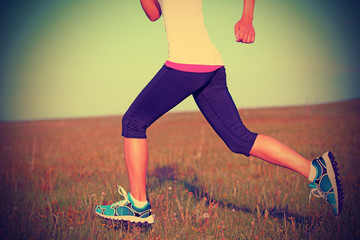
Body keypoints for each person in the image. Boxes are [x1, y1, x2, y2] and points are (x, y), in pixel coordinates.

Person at [95, 0, 343, 224]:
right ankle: (315, 171)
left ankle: (138, 206)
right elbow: (153, 14)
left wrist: (248, 17)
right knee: (238, 139)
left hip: (186, 63)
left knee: (133, 122)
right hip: (208, 64)